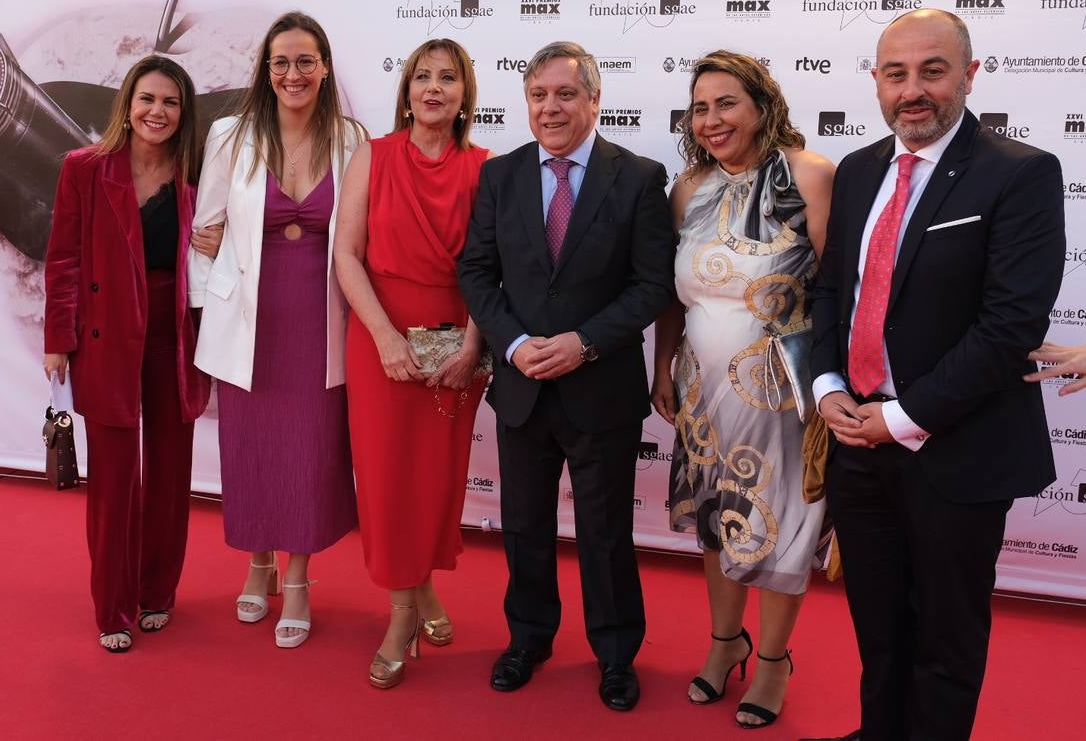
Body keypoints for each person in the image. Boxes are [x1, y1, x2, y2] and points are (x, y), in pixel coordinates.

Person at [808, 9, 1064, 741]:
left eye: (932, 70)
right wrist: (828, 389)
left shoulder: (1021, 174)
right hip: (857, 440)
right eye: (896, 73)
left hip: (956, 449)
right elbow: (832, 291)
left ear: (970, 74)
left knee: (946, 641)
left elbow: (1009, 327)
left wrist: (898, 417)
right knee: (878, 625)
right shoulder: (858, 171)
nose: (912, 90)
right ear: (877, 82)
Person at [457, 41, 675, 712]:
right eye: (538, 95)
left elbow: (651, 286)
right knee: (523, 524)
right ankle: (528, 639)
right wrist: (516, 343)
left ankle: (615, 654)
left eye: (565, 94)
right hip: (522, 387)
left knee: (606, 531)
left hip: (600, 387)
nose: (551, 108)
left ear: (593, 100)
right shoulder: (501, 176)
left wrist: (584, 343)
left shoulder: (637, 177)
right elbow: (475, 272)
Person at [650, 51, 835, 728]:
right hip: (700, 389)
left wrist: (831, 383)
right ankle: (725, 643)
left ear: (762, 104)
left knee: (779, 521)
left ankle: (773, 662)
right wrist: (663, 360)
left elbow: (836, 288)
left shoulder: (810, 175)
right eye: (700, 108)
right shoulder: (688, 188)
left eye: (726, 103)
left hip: (779, 387)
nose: (711, 119)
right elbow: (673, 293)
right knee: (716, 517)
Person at [188, 12, 364, 649]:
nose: (294, 73)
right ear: (266, 71)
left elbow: (363, 237)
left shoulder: (352, 139)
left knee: (310, 452)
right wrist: (208, 310)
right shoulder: (231, 135)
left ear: (324, 69)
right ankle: (256, 563)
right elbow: (203, 230)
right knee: (252, 450)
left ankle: (297, 579)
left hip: (320, 322)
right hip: (246, 323)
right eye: (281, 62)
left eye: (305, 61)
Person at [43, 55, 215, 653]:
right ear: (127, 104)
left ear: (184, 112)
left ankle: (156, 593)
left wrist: (214, 243)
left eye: (170, 102)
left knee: (170, 474)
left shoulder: (199, 173)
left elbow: (227, 254)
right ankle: (112, 608)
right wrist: (58, 342)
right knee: (115, 481)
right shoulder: (85, 169)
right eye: (147, 99)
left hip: (173, 334)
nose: (157, 112)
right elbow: (63, 258)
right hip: (107, 335)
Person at [334, 38, 491, 689]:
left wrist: (473, 347)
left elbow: (493, 271)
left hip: (457, 341)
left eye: (447, 78)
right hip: (379, 339)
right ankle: (403, 613)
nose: (433, 87)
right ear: (405, 92)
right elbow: (346, 254)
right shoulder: (372, 155)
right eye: (421, 77)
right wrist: (385, 338)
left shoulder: (488, 168)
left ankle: (421, 586)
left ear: (464, 96)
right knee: (386, 478)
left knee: (433, 478)